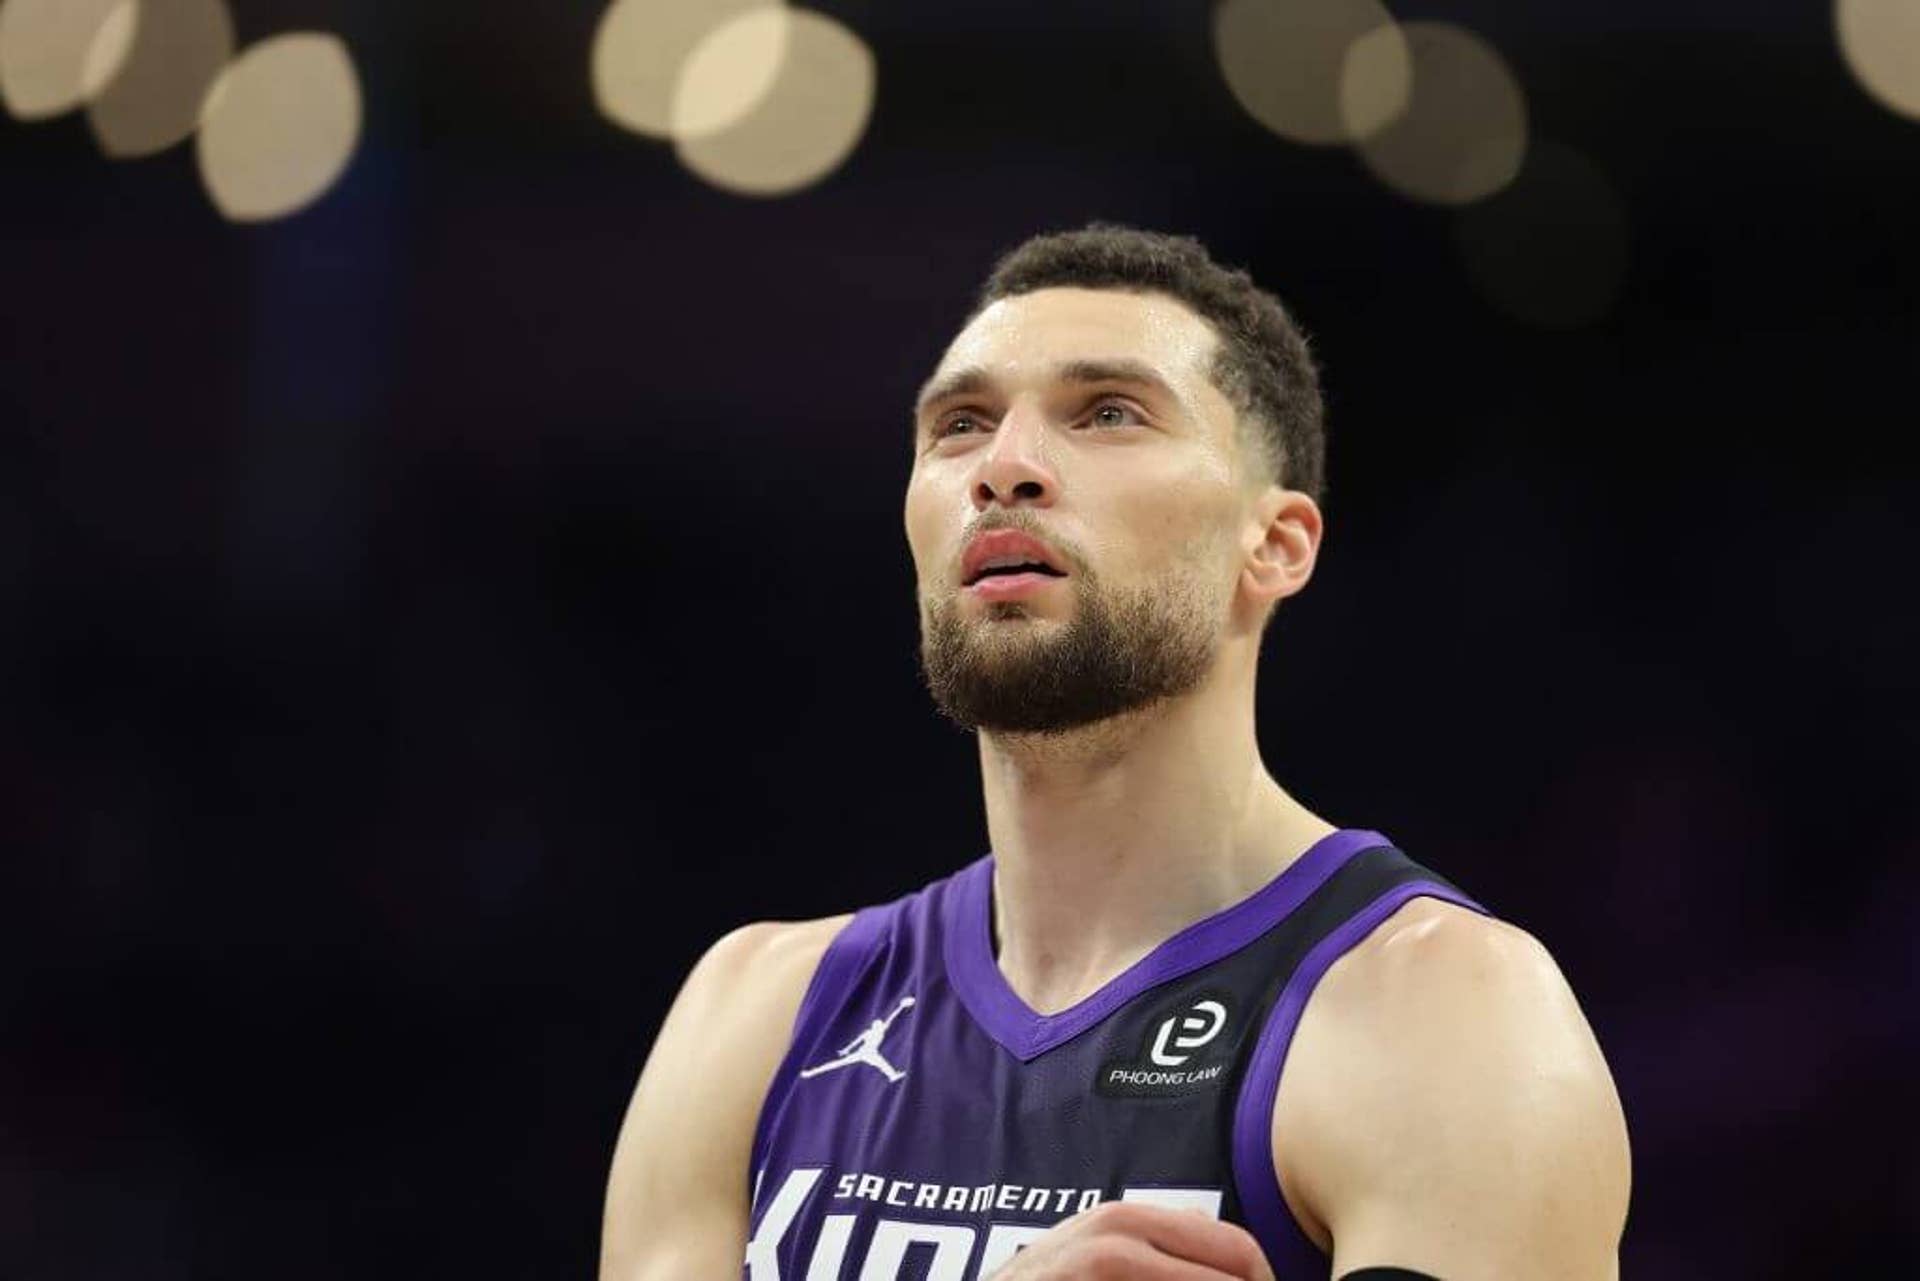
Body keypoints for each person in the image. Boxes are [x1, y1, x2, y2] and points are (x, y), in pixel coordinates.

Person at [599, 225, 1631, 1280]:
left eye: (1108, 413)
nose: (1005, 468)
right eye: (960, 425)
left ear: (1273, 545)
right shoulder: (758, 1009)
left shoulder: (1442, 1014)